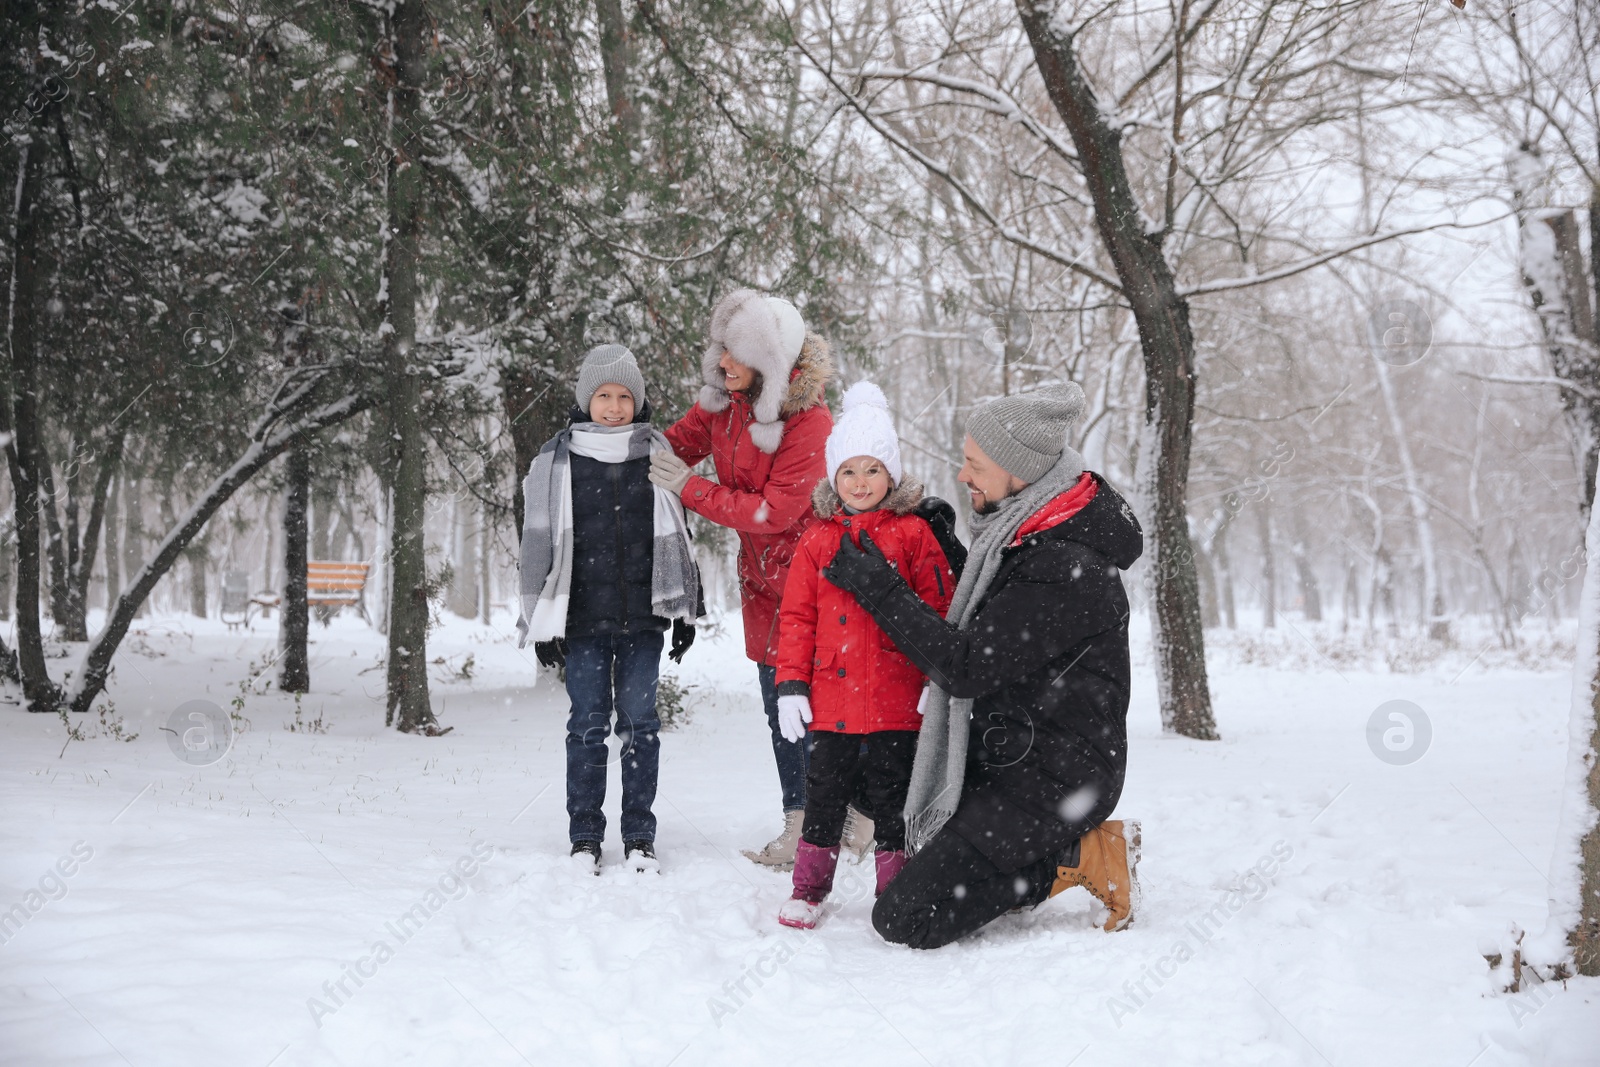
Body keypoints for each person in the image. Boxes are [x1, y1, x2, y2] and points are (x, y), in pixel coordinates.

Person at [821, 382, 1145, 949]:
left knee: (904, 917)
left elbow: (969, 663)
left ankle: (1080, 856)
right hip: (1010, 748)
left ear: (1019, 471)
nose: (964, 476)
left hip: (1055, 777)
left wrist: (881, 590)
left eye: (975, 464)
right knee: (875, 784)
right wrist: (947, 544)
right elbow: (1004, 620)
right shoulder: (1034, 529)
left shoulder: (1068, 565)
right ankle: (1012, 851)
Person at [648, 289, 841, 868]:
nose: (721, 361)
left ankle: (820, 823)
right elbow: (674, 443)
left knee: (811, 704)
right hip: (762, 582)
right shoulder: (726, 404)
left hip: (814, 582)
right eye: (721, 349)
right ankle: (816, 819)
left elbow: (773, 511)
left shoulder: (810, 421)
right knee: (776, 702)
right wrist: (608, 440)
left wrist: (689, 488)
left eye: (734, 352)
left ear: (769, 360)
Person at [769, 382, 956, 928]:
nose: (860, 482)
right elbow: (797, 618)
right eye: (848, 471)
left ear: (892, 474)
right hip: (831, 704)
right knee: (824, 798)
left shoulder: (915, 534)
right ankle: (808, 888)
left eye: (872, 469)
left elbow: (936, 610)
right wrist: (790, 685)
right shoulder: (816, 540)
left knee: (893, 800)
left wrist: (933, 680)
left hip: (897, 701)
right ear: (833, 477)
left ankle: (893, 887)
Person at [516, 344, 702, 875]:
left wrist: (685, 612)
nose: (615, 406)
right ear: (586, 399)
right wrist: (543, 623)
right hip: (581, 620)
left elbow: (682, 540)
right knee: (587, 724)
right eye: (604, 395)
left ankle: (640, 835)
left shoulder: (658, 457)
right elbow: (537, 547)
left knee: (641, 723)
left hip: (644, 617)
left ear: (637, 401)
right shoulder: (555, 464)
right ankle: (584, 837)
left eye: (624, 396)